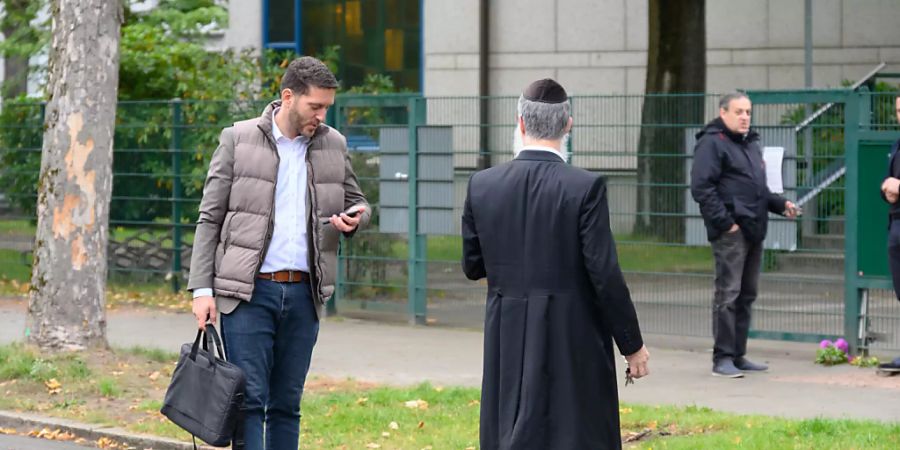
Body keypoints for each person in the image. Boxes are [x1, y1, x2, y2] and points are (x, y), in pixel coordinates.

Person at [187, 56, 369, 450]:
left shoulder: (333, 144)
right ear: (288, 97)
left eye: (326, 108)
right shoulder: (237, 139)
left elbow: (358, 201)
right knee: (249, 402)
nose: (321, 115)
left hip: (305, 295)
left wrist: (357, 218)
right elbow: (209, 218)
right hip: (249, 295)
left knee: (287, 403)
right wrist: (202, 289)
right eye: (314, 106)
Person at [462, 78, 650, 449]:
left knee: (510, 428)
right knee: (576, 430)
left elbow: (473, 265)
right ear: (568, 124)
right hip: (572, 330)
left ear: (520, 123)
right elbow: (605, 274)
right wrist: (632, 345)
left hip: (508, 329)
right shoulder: (585, 187)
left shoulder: (482, 184)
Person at [690, 92, 799, 378]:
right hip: (731, 232)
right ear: (723, 113)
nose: (744, 117)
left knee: (747, 294)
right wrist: (726, 223)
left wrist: (780, 204)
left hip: (754, 229)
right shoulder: (712, 143)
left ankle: (738, 354)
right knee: (729, 293)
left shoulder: (750, 144)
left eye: (748, 112)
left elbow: (759, 188)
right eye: (738, 111)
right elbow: (702, 188)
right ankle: (722, 357)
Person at [878, 94, 900, 374]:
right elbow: (887, 181)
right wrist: (887, 189)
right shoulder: (897, 144)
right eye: (898, 110)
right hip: (896, 224)